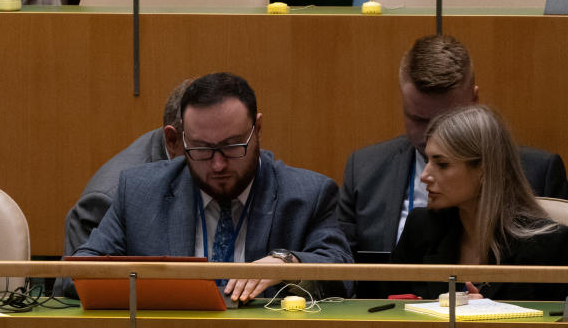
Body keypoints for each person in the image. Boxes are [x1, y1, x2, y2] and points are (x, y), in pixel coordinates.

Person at [74, 72, 353, 303]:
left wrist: (288, 264)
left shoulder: (308, 194)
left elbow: (344, 275)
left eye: (232, 146)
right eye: (202, 149)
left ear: (257, 129)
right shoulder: (139, 191)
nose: (218, 165)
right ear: (181, 140)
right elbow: (80, 272)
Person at [337, 34, 568, 256]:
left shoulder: (539, 173)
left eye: (446, 119)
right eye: (417, 119)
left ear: (474, 101)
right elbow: (342, 266)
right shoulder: (364, 169)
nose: (429, 134)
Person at [387, 105, 568, 301]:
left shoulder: (550, 245)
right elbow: (379, 307)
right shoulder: (420, 229)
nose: (424, 176)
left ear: (484, 169)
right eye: (427, 160)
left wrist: (488, 315)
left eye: (442, 164)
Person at [63, 79, 191, 258]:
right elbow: (76, 282)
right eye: (202, 146)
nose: (218, 163)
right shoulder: (110, 196)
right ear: (172, 140)